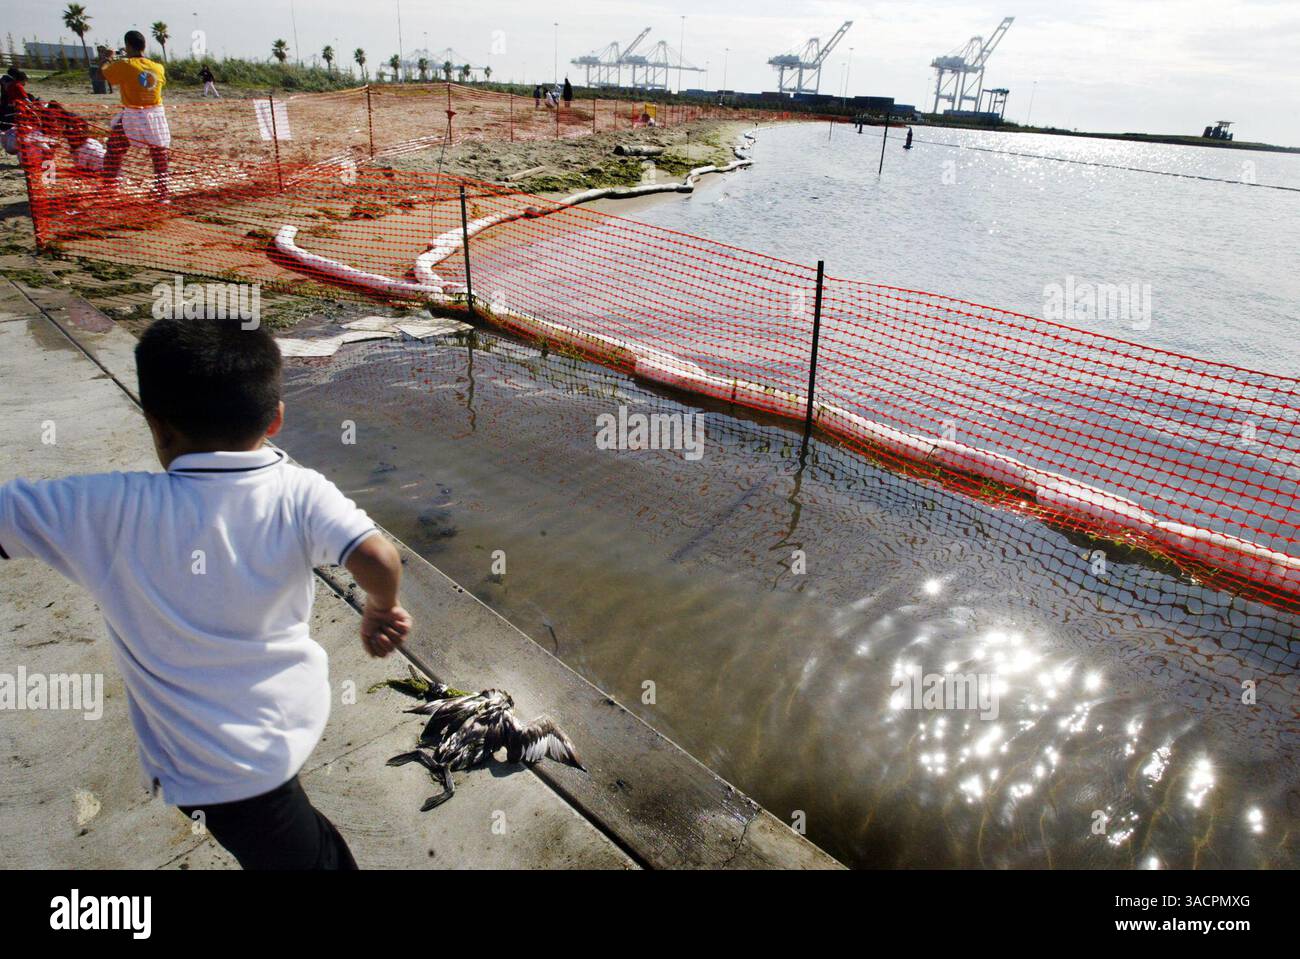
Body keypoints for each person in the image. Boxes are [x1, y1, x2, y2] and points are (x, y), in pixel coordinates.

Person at [0, 317, 413, 869]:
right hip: (255, 760)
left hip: (205, 768)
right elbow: (378, 556)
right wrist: (380, 608)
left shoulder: (102, 509)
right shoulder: (300, 492)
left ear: (159, 427)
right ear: (276, 420)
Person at [100, 30, 171, 201]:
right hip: (156, 115)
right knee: (159, 155)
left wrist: (107, 59)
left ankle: (109, 186)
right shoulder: (158, 67)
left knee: (114, 150)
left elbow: (104, 75)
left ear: (128, 46)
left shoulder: (125, 64)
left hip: (133, 116)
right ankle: (162, 191)